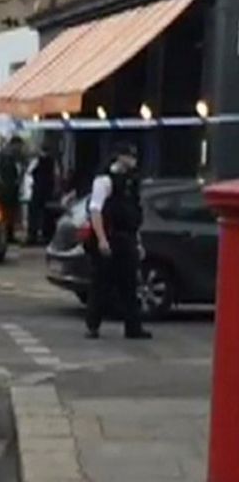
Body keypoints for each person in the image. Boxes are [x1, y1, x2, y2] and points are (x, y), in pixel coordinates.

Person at [85, 142, 151, 340]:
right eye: (130, 156)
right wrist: (102, 239)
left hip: (127, 237)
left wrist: (138, 242)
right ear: (120, 157)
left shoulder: (131, 182)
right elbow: (95, 211)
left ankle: (133, 327)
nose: (133, 161)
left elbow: (133, 216)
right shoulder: (104, 180)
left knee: (130, 285)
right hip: (110, 237)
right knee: (101, 284)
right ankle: (93, 325)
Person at [0, 136, 25, 244]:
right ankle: (4, 235)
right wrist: (1, 182)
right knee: (4, 213)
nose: (20, 148)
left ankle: (8, 235)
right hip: (5, 189)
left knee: (10, 213)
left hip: (10, 188)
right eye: (19, 146)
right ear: (14, 144)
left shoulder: (14, 157)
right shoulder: (4, 156)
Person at [27, 144, 58, 246]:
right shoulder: (53, 162)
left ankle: (33, 235)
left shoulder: (36, 161)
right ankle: (47, 235)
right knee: (47, 213)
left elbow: (29, 172)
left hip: (37, 190)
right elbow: (57, 175)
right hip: (48, 191)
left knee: (34, 213)